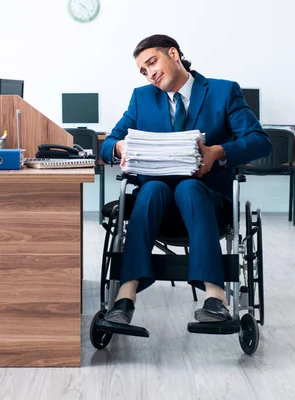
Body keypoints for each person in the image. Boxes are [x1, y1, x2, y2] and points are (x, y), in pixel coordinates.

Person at [100, 34, 272, 325]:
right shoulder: (142, 99)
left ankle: (215, 298)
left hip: (208, 201)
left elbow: (260, 142)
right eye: (143, 70)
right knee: (151, 189)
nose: (150, 73)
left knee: (190, 188)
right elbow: (107, 144)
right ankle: (125, 297)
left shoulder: (223, 92)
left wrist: (218, 151)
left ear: (174, 54)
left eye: (152, 62)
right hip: (156, 206)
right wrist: (119, 147)